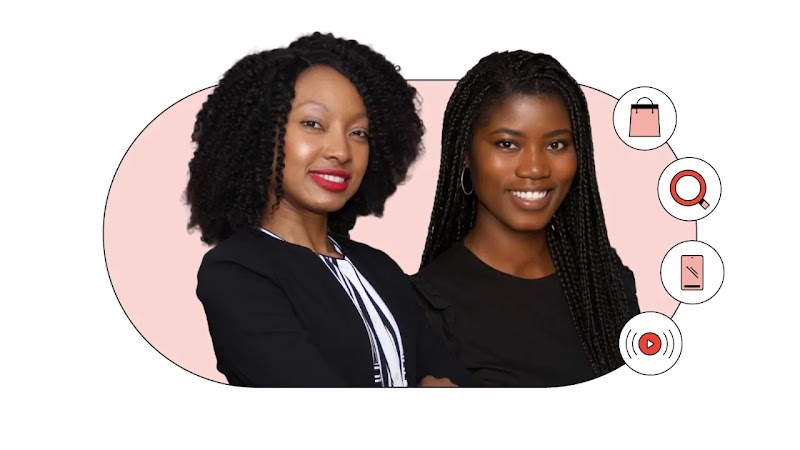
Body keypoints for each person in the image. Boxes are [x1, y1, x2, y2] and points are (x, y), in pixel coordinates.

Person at [185, 32, 470, 387]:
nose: (341, 151)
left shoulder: (378, 268)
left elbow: (457, 385)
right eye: (313, 124)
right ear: (260, 133)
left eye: (359, 133)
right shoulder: (237, 271)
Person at [411, 50, 640, 388]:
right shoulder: (423, 307)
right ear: (465, 154)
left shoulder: (607, 282)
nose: (535, 168)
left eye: (557, 144)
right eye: (507, 144)